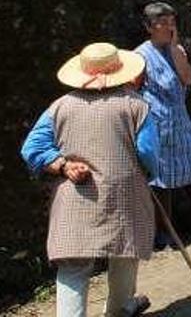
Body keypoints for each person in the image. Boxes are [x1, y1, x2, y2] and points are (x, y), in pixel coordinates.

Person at [20, 42, 159, 317]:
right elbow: (147, 153)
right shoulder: (137, 106)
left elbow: (31, 148)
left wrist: (62, 165)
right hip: (125, 193)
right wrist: (149, 175)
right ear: (120, 71)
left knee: (73, 266)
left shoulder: (60, 107)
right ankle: (118, 311)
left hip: (75, 196)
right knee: (124, 252)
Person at [136, 2, 191, 249]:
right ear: (149, 27)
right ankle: (164, 232)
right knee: (160, 178)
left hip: (179, 120)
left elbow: (187, 79)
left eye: (172, 22)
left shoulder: (177, 50)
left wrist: (174, 49)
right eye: (163, 23)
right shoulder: (140, 56)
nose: (169, 28)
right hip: (158, 123)